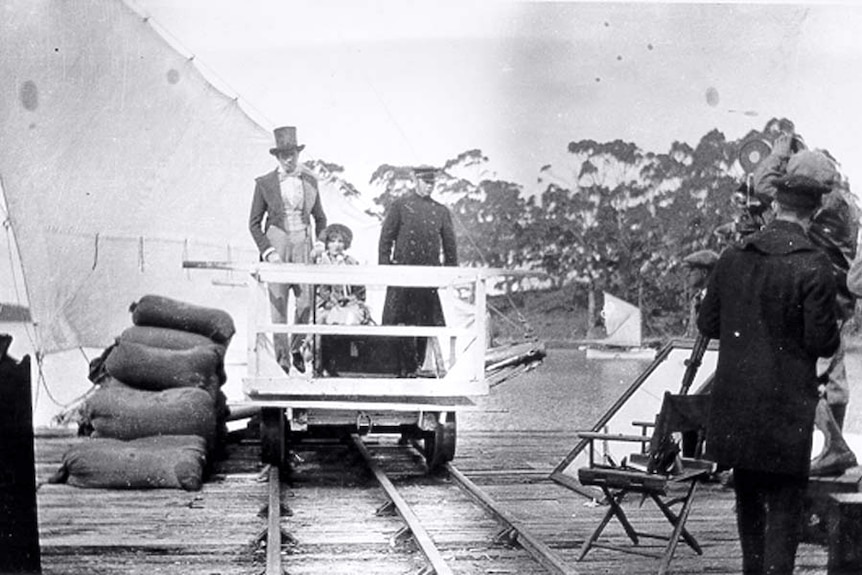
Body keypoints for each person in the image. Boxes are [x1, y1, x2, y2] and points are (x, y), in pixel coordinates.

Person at [697, 173, 841, 575]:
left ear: (776, 207)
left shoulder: (732, 258)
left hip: (736, 407)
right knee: (784, 507)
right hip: (786, 410)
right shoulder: (815, 265)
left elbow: (707, 325)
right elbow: (822, 343)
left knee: (747, 503)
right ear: (812, 215)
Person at [753, 134, 858, 475]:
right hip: (837, 298)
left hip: (815, 297)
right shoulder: (845, 204)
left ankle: (834, 448)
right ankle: (832, 449)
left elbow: (762, 184)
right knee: (833, 377)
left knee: (814, 377)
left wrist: (781, 151)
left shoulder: (818, 206)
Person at [248, 126, 327, 374]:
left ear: (298, 153)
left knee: (305, 302)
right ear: (277, 157)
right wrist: (268, 250)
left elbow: (321, 218)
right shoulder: (264, 183)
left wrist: (320, 243)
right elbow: (254, 223)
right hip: (277, 241)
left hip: (303, 240)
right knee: (278, 305)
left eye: (292, 153)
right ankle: (282, 362)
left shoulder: (310, 181)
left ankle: (296, 348)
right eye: (284, 155)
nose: (289, 159)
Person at [378, 165, 458, 377]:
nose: (429, 186)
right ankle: (403, 368)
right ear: (415, 180)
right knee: (400, 321)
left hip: (428, 277)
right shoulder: (401, 206)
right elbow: (386, 238)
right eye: (425, 182)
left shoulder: (440, 211)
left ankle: (418, 366)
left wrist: (450, 274)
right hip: (403, 275)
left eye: (432, 182)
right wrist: (386, 270)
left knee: (425, 321)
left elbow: (450, 247)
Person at [681, 249, 719, 338]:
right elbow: (691, 334)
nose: (687, 275)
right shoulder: (697, 299)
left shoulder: (720, 299)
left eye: (691, 270)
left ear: (704, 272)